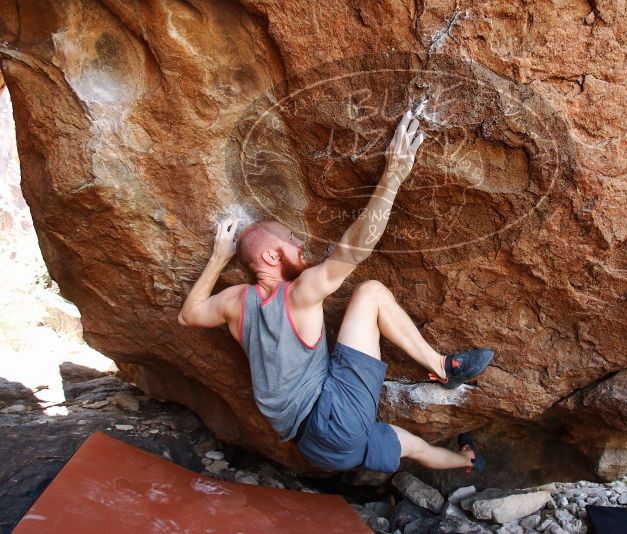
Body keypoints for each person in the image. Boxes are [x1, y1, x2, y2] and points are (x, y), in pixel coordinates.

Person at [178, 110, 494, 474]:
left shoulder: (234, 303)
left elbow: (188, 314)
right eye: (291, 239)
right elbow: (352, 251)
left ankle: (466, 461)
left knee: (414, 447)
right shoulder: (297, 293)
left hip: (315, 447)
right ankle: (442, 367)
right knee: (370, 293)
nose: (301, 245)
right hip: (334, 419)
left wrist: (219, 258)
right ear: (271, 256)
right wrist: (392, 175)